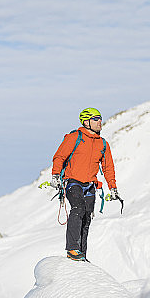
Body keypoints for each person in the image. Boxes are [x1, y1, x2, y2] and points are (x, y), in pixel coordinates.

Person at [50, 107, 119, 261]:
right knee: (78, 209)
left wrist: (113, 187)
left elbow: (108, 167)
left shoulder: (103, 144)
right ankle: (72, 249)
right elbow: (59, 157)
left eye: (100, 118)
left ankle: (82, 254)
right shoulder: (75, 137)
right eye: (95, 119)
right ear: (86, 122)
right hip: (73, 181)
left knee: (87, 218)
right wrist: (55, 175)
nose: (100, 121)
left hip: (90, 185)